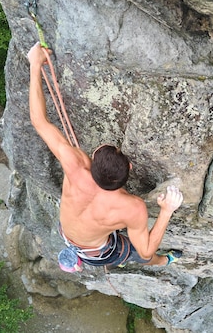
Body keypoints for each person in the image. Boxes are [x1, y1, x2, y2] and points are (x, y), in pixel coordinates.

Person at [27, 42, 183, 271]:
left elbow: (39, 121)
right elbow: (146, 249)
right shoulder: (132, 208)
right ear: (129, 168)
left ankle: (162, 260)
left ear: (93, 158)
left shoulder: (75, 165)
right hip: (97, 251)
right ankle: (165, 261)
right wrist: (167, 210)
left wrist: (34, 64)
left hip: (72, 235)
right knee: (144, 257)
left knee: (138, 253)